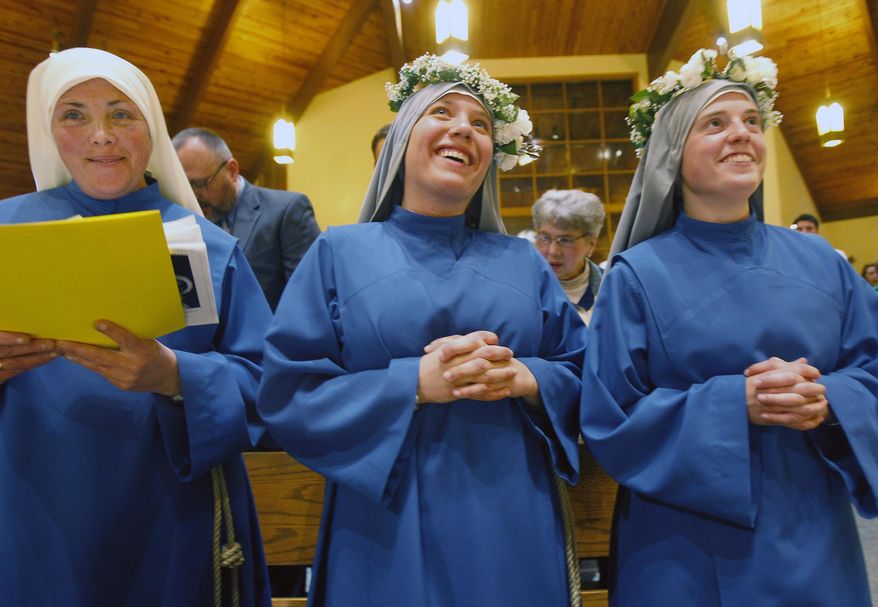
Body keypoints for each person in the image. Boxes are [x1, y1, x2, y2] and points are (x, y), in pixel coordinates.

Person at [258, 54, 585, 607]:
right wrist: (414, 383)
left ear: (488, 159)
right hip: (384, 518)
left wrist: (528, 377)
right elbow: (290, 392)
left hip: (511, 514)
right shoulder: (339, 252)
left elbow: (587, 374)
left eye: (481, 124)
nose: (463, 128)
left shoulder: (524, 262)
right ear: (401, 141)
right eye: (442, 112)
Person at [580, 49, 878, 606]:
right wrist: (732, 402)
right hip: (684, 548)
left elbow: (872, 369)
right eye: (715, 123)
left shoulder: (823, 264)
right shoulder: (637, 276)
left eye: (751, 122)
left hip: (814, 534)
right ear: (672, 153)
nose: (741, 134)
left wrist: (830, 397)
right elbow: (609, 416)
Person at [0, 48, 272, 606]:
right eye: (73, 114)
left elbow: (271, 387)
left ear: (152, 127)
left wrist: (175, 376)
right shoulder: (7, 231)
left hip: (170, 513)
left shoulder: (210, 247)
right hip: (31, 507)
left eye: (122, 114)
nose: (101, 135)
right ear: (48, 130)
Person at [173, 127, 320, 310]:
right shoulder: (185, 220)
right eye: (186, 186)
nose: (195, 196)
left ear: (232, 171)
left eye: (201, 184)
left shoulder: (286, 210)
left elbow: (308, 298)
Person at [532, 189, 606, 325]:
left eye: (565, 240)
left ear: (591, 244)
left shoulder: (611, 287)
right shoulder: (524, 290)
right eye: (545, 238)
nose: (553, 251)